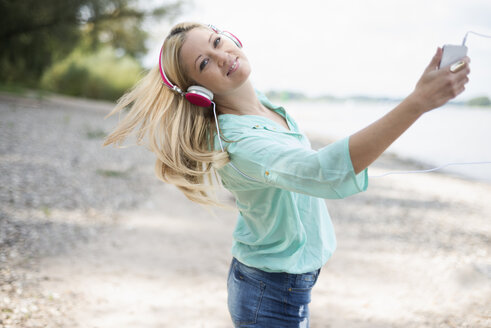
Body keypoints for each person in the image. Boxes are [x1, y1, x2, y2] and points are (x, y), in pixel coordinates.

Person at [102, 22, 470, 327]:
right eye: (205, 62)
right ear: (198, 92)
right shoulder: (240, 141)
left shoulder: (263, 108)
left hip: (282, 283)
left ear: (231, 36)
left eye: (217, 42)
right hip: (271, 291)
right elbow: (322, 173)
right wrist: (417, 103)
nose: (222, 56)